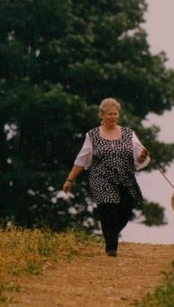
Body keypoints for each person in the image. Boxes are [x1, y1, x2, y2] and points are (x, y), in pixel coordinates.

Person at [63, 98, 150, 257]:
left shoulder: (129, 134)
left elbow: (140, 155)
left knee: (125, 209)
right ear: (101, 115)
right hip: (101, 178)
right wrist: (70, 179)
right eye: (109, 114)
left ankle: (110, 233)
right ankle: (111, 247)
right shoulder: (93, 135)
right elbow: (82, 159)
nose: (113, 117)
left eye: (115, 114)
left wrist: (143, 157)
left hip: (125, 177)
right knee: (109, 208)